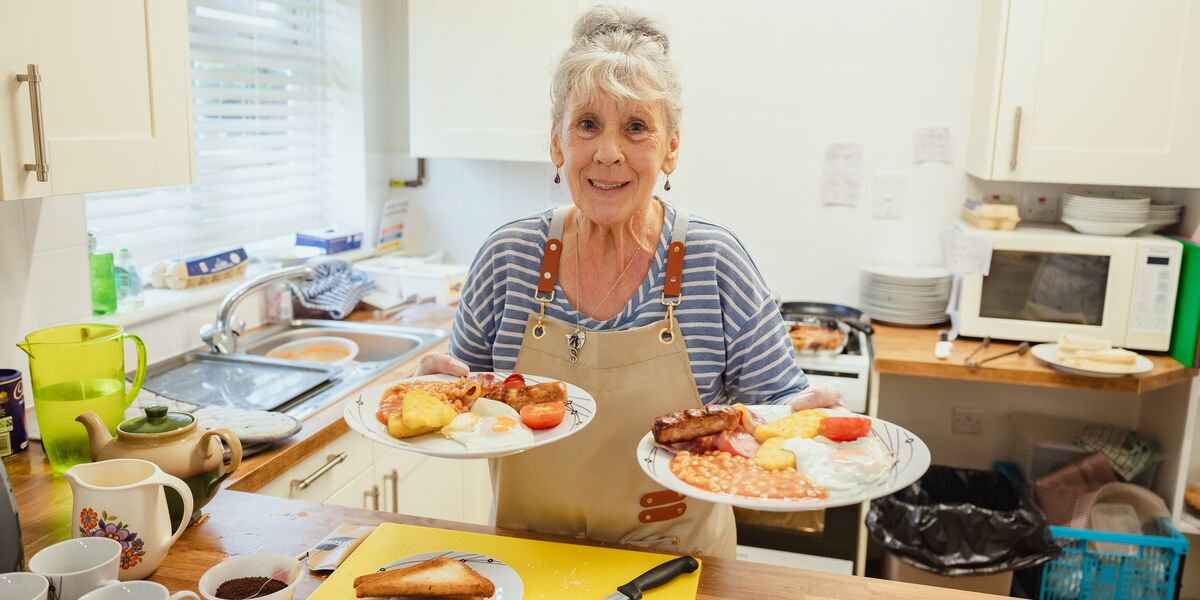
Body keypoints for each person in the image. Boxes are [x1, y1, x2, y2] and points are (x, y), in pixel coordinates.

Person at [416, 5, 835, 558]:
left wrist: (807, 414)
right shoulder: (508, 258)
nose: (608, 152)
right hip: (528, 560)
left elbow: (777, 412)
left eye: (636, 127)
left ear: (671, 148)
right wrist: (431, 390)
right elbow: (464, 403)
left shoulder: (714, 261)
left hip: (678, 567)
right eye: (587, 124)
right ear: (557, 144)